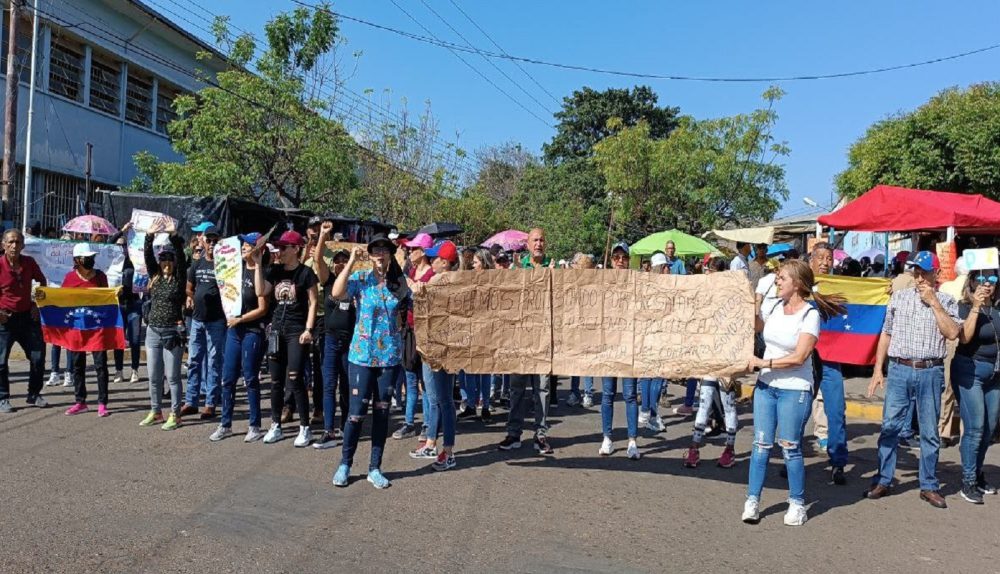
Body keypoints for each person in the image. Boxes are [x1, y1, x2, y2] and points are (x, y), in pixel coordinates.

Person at [743, 259, 846, 526]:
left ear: (797, 284)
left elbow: (800, 357)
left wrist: (763, 363)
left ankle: (797, 503)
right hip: (766, 387)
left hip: (794, 389)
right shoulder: (774, 306)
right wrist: (752, 306)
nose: (777, 281)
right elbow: (757, 327)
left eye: (782, 278)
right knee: (761, 446)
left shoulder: (810, 315)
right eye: (777, 277)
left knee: (790, 447)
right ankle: (752, 500)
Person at [864, 251, 961, 509]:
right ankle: (883, 479)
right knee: (890, 426)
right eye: (916, 272)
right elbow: (886, 334)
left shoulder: (947, 301)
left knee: (929, 431)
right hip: (900, 368)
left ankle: (928, 485)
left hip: (930, 370)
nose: (919, 278)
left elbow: (953, 333)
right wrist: (878, 369)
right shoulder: (899, 297)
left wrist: (934, 303)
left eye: (924, 273)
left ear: (936, 274)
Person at [331, 235, 410, 489]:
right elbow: (336, 292)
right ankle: (345, 464)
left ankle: (375, 468)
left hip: (389, 357)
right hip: (361, 356)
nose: (380, 254)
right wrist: (351, 262)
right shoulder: (361, 279)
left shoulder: (399, 283)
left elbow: (416, 305)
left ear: (390, 255)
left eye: (384, 250)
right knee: (355, 414)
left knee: (382, 413)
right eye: (375, 250)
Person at [209, 233, 271, 443]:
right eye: (243, 244)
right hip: (234, 331)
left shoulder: (264, 273)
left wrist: (241, 319)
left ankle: (254, 426)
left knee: (250, 378)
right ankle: (225, 424)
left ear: (258, 249)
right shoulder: (236, 270)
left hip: (252, 331)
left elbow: (263, 308)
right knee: (228, 378)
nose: (243, 247)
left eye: (249, 245)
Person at [499, 227, 554, 455]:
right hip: (520, 339)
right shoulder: (517, 267)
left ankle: (540, 435)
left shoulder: (554, 268)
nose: (538, 244)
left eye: (542, 240)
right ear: (528, 244)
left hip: (544, 339)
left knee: (542, 389)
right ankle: (514, 433)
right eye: (535, 240)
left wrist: (555, 277)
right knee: (517, 389)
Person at [262, 231, 319, 447]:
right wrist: (258, 264)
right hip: (277, 330)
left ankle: (305, 427)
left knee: (295, 379)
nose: (280, 251)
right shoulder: (274, 271)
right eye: (279, 247)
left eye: (284, 247)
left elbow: (313, 302)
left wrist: (308, 329)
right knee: (275, 381)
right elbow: (261, 291)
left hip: (297, 331)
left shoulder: (305, 273)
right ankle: (275, 424)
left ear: (295, 249)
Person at [684, 257, 740, 469]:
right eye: (708, 270)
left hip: (726, 359)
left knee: (728, 405)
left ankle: (730, 449)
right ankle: (694, 447)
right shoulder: (703, 296)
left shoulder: (733, 297)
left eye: (712, 271)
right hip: (709, 358)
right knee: (704, 402)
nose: (709, 274)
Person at [410, 240, 460, 471]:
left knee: (445, 400)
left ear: (445, 262)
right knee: (433, 397)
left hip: (444, 349)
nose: (430, 261)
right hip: (429, 347)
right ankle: (431, 443)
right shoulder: (433, 281)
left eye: (434, 258)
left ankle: (448, 452)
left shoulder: (452, 284)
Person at [952, 266, 999, 504]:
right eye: (981, 278)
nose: (987, 283)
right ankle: (968, 481)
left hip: (995, 375)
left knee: (989, 429)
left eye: (992, 278)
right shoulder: (963, 307)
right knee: (975, 428)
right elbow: (965, 337)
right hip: (970, 371)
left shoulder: (997, 309)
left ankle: (978, 473)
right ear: (972, 281)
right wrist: (976, 306)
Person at [804, 241, 850, 486]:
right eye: (820, 257)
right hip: (804, 358)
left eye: (829, 258)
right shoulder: (801, 285)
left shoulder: (841, 286)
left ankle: (838, 462)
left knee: (836, 411)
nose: (825, 262)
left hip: (831, 359)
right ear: (811, 260)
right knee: (799, 412)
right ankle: (792, 459)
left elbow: (861, 305)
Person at [312, 222, 356, 449]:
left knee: (346, 384)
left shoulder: (356, 285)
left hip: (351, 341)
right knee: (329, 384)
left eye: (344, 260)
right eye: (337, 260)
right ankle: (328, 430)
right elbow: (317, 259)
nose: (340, 264)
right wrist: (322, 235)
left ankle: (346, 424)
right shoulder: (328, 281)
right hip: (330, 339)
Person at [139, 225, 187, 430]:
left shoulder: (179, 279)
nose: (166, 263)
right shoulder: (155, 277)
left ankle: (175, 415)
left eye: (169, 259)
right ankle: (156, 411)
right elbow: (147, 256)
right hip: (153, 332)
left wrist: (173, 236)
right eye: (163, 259)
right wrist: (149, 236)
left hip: (171, 333)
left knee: (173, 377)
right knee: (154, 376)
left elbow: (182, 259)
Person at [598, 241, 641, 460]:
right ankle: (607, 437)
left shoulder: (636, 283)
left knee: (630, 395)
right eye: (616, 257)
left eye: (624, 257)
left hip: (629, 346)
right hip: (608, 346)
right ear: (611, 260)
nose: (620, 261)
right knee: (607, 394)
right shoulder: (602, 283)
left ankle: (632, 440)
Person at [0, 229, 48, 413]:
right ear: (3, 245)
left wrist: (36, 304)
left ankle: (34, 394)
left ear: (23, 245)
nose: (14, 245)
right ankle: (3, 398)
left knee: (38, 357)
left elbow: (42, 282)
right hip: (5, 319)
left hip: (28, 318)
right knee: (1, 362)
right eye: (10, 242)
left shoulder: (29, 263)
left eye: (18, 242)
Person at [62, 242, 112, 417]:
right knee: (78, 365)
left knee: (100, 365)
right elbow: (63, 301)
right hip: (77, 328)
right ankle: (80, 401)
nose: (91, 260)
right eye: (87, 258)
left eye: (92, 257)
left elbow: (106, 299)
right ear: (77, 260)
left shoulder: (100, 276)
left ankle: (102, 403)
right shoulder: (69, 278)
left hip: (97, 327)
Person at [393, 232, 434, 440]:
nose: (409, 252)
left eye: (413, 249)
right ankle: (409, 422)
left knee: (425, 382)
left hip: (426, 333)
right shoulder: (409, 271)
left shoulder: (432, 275)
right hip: (408, 331)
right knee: (409, 379)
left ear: (423, 251)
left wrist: (418, 287)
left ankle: (427, 424)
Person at [182, 223, 226, 420]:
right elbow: (189, 287)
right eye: (209, 240)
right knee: (193, 360)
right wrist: (193, 297)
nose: (212, 244)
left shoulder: (225, 266)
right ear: (203, 241)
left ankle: (210, 403)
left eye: (215, 241)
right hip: (197, 320)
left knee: (214, 362)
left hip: (216, 321)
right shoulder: (197, 264)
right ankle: (191, 401)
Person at [458, 248, 495, 421]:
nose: (473, 265)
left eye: (475, 262)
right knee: (470, 370)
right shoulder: (470, 279)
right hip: (471, 330)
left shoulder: (493, 281)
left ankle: (485, 405)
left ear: (484, 263)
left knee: (485, 372)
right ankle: (471, 404)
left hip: (487, 331)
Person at [638, 251, 668, 432]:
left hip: (647, 337)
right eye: (666, 267)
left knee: (648, 375)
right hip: (657, 336)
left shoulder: (645, 285)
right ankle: (653, 415)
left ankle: (645, 411)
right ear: (662, 268)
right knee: (656, 375)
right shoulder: (662, 287)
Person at [109, 224, 142, 385]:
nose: (121, 248)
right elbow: (109, 244)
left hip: (134, 304)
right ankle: (119, 370)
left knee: (134, 339)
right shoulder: (112, 261)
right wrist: (122, 231)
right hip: (118, 305)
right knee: (119, 340)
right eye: (119, 246)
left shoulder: (133, 261)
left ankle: (135, 369)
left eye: (124, 245)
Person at [568, 253, 597, 408]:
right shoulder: (570, 283)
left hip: (589, 328)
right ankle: (574, 393)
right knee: (575, 361)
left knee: (587, 362)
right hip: (574, 327)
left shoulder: (594, 284)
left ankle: (588, 393)